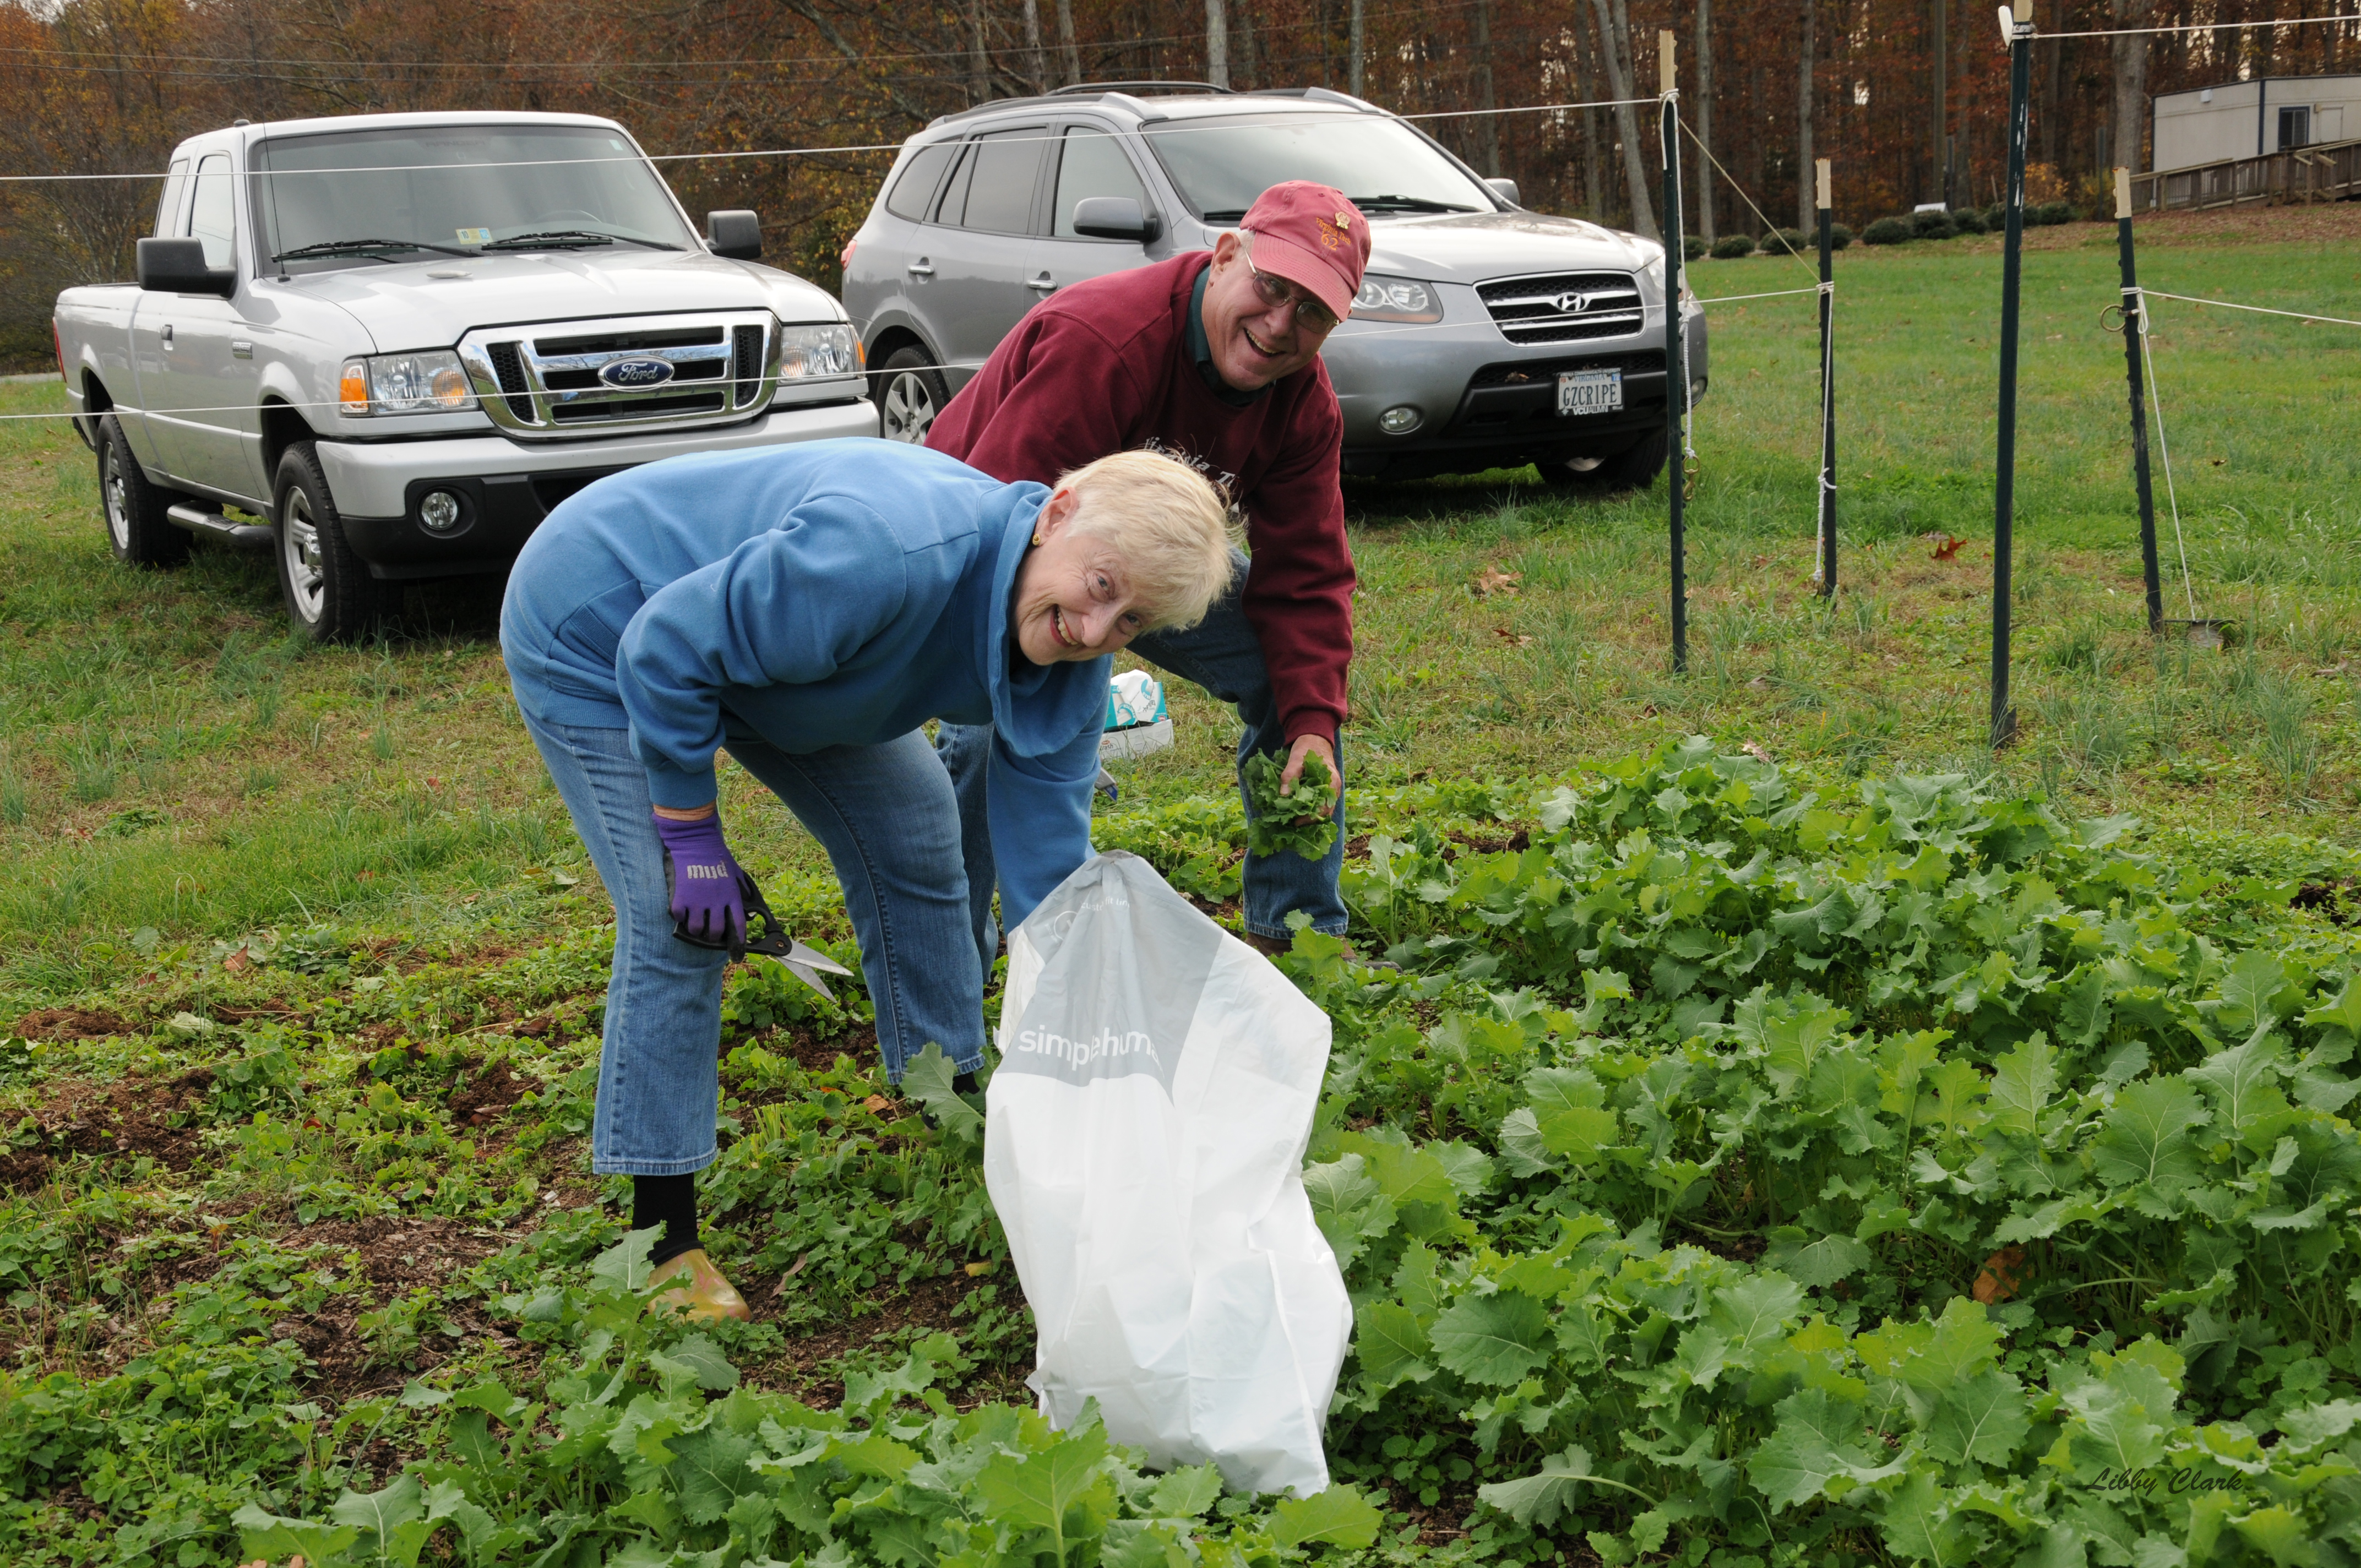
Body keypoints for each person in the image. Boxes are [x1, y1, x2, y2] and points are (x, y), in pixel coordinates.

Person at [499, 438, 1236, 1320]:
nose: (1091, 632)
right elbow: (667, 649)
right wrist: (692, 836)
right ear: (1059, 512)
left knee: (920, 832)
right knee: (673, 919)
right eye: (1102, 587)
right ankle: (660, 1244)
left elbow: (1049, 883)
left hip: (790, 658)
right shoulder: (885, 555)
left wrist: (1079, 1033)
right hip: (607, 615)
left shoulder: (1068, 667)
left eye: (1130, 625)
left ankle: (948, 1101)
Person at [927, 180, 1370, 962]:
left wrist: (1311, 726)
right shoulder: (1104, 341)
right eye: (1272, 288)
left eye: (1313, 313)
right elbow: (998, 517)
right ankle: (951, 960)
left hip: (1160, 556)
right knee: (991, 723)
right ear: (1227, 254)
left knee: (1294, 679)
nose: (1279, 327)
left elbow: (1306, 576)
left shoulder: (1303, 402)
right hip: (992, 543)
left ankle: (1297, 938)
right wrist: (1065, 651)